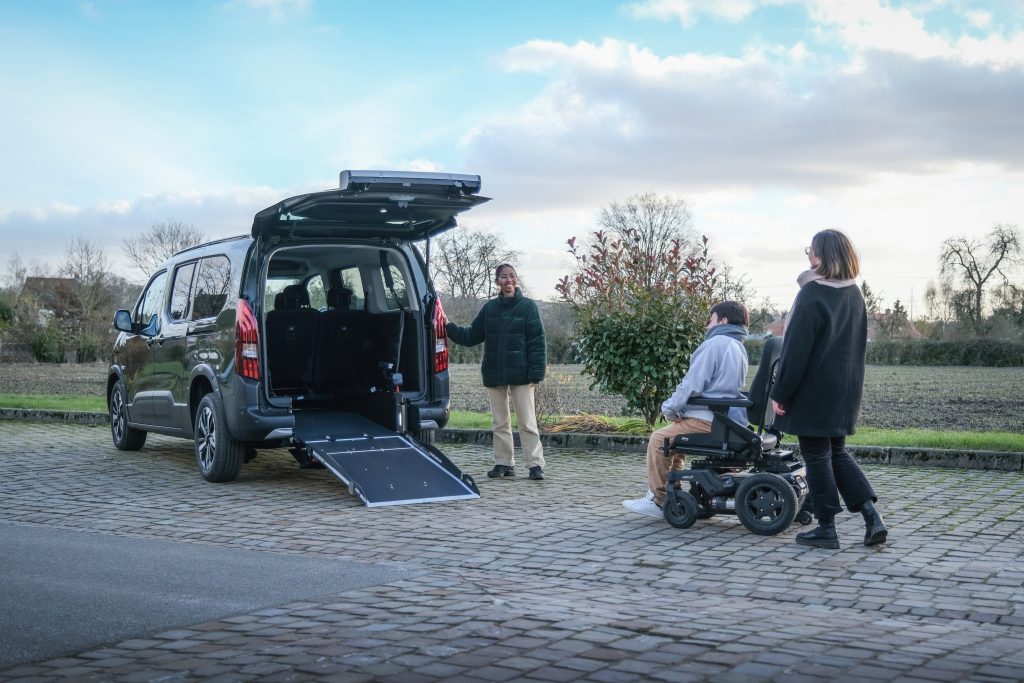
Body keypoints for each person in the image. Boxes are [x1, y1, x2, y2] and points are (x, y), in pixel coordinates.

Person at [771, 229, 887, 549]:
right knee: (836, 452)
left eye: (812, 250)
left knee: (817, 455)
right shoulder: (854, 294)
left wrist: (781, 392)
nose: (808, 255)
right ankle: (872, 516)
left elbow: (795, 350)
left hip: (814, 389)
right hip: (845, 390)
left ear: (823, 256)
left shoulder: (812, 294)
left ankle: (826, 527)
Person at [622, 301, 750, 518]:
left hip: (707, 418)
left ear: (723, 321)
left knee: (658, 439)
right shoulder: (738, 347)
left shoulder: (714, 344)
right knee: (674, 440)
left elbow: (692, 384)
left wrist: (669, 408)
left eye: (710, 321)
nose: (707, 327)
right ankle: (673, 494)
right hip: (724, 418)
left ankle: (659, 500)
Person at [446, 264, 548, 480]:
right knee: (500, 422)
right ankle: (504, 464)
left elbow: (537, 341)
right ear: (497, 281)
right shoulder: (489, 308)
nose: (508, 280)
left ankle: (535, 465)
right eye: (503, 277)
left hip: (522, 374)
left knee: (527, 421)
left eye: (511, 276)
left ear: (516, 280)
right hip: (495, 373)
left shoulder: (528, 307)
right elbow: (471, 335)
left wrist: (536, 372)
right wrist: (448, 326)